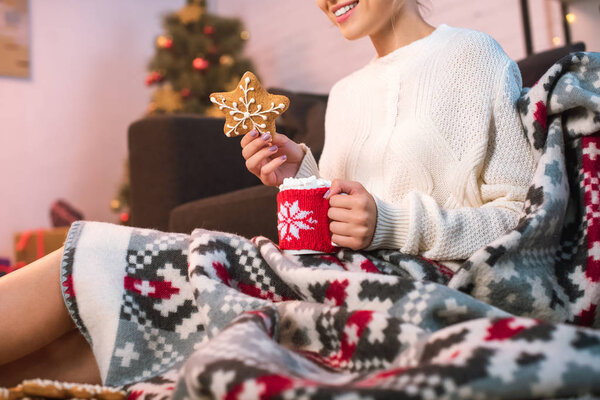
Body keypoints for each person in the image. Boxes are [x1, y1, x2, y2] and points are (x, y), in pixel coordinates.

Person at [0, 0, 535, 387]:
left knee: (101, 254)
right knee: (97, 327)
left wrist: (393, 224)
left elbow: (526, 222)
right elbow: (335, 219)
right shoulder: (347, 95)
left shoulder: (474, 56)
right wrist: (298, 173)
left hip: (402, 292)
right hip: (326, 274)